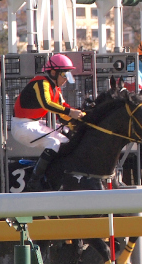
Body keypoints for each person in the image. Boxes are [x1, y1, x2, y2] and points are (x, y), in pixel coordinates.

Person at [12, 53, 85, 191]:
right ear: (53, 72)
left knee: (66, 139)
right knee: (54, 142)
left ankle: (57, 174)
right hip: (21, 126)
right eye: (64, 74)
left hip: (34, 123)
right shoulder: (41, 83)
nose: (65, 79)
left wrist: (82, 118)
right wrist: (70, 113)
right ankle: (34, 181)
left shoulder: (56, 89)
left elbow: (63, 111)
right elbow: (47, 104)